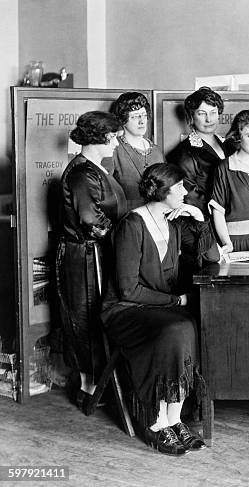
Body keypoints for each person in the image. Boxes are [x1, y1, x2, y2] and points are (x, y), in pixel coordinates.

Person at [101, 163, 219, 456]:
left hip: (159, 310)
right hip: (126, 310)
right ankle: (155, 423)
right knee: (177, 326)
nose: (184, 191)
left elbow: (213, 256)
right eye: (179, 187)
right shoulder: (132, 224)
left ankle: (174, 419)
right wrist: (175, 301)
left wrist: (200, 219)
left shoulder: (174, 223)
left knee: (191, 323)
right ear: (163, 191)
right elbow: (128, 290)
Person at [56, 111, 126, 412]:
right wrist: (126, 237)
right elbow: (90, 221)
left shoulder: (92, 167)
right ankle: (88, 388)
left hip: (94, 252)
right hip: (85, 256)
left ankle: (95, 384)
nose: (116, 143)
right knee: (85, 318)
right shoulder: (83, 173)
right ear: (101, 138)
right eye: (113, 138)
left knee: (95, 316)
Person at [209, 110, 249, 253]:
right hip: (237, 241)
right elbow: (218, 211)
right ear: (238, 137)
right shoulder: (225, 167)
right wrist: (227, 243)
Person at [166, 87, 228, 214]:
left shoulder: (228, 144)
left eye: (213, 112)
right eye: (201, 113)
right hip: (205, 220)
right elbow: (190, 197)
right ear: (191, 116)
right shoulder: (183, 153)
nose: (209, 119)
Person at [107, 92, 165, 210]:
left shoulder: (156, 151)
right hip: (127, 220)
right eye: (134, 116)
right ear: (123, 120)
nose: (142, 121)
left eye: (143, 115)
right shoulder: (114, 149)